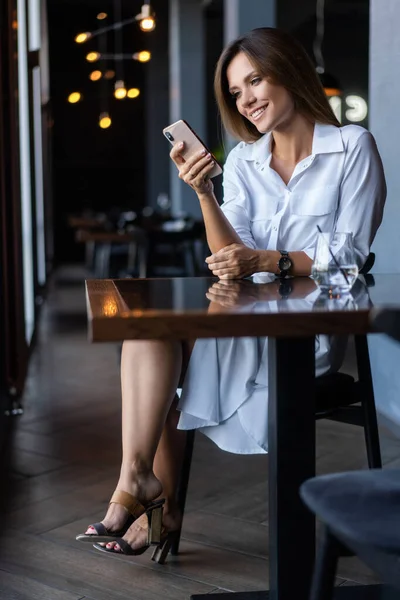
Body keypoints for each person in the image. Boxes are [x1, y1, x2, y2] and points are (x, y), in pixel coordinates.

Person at [76, 27, 386, 560]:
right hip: (241, 322)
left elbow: (349, 258)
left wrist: (267, 261)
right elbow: (229, 261)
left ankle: (157, 506)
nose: (246, 100)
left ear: (289, 71)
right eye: (236, 92)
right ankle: (139, 483)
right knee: (151, 334)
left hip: (306, 333)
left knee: (159, 352)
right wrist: (203, 194)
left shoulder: (351, 147)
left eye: (255, 81)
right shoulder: (244, 160)